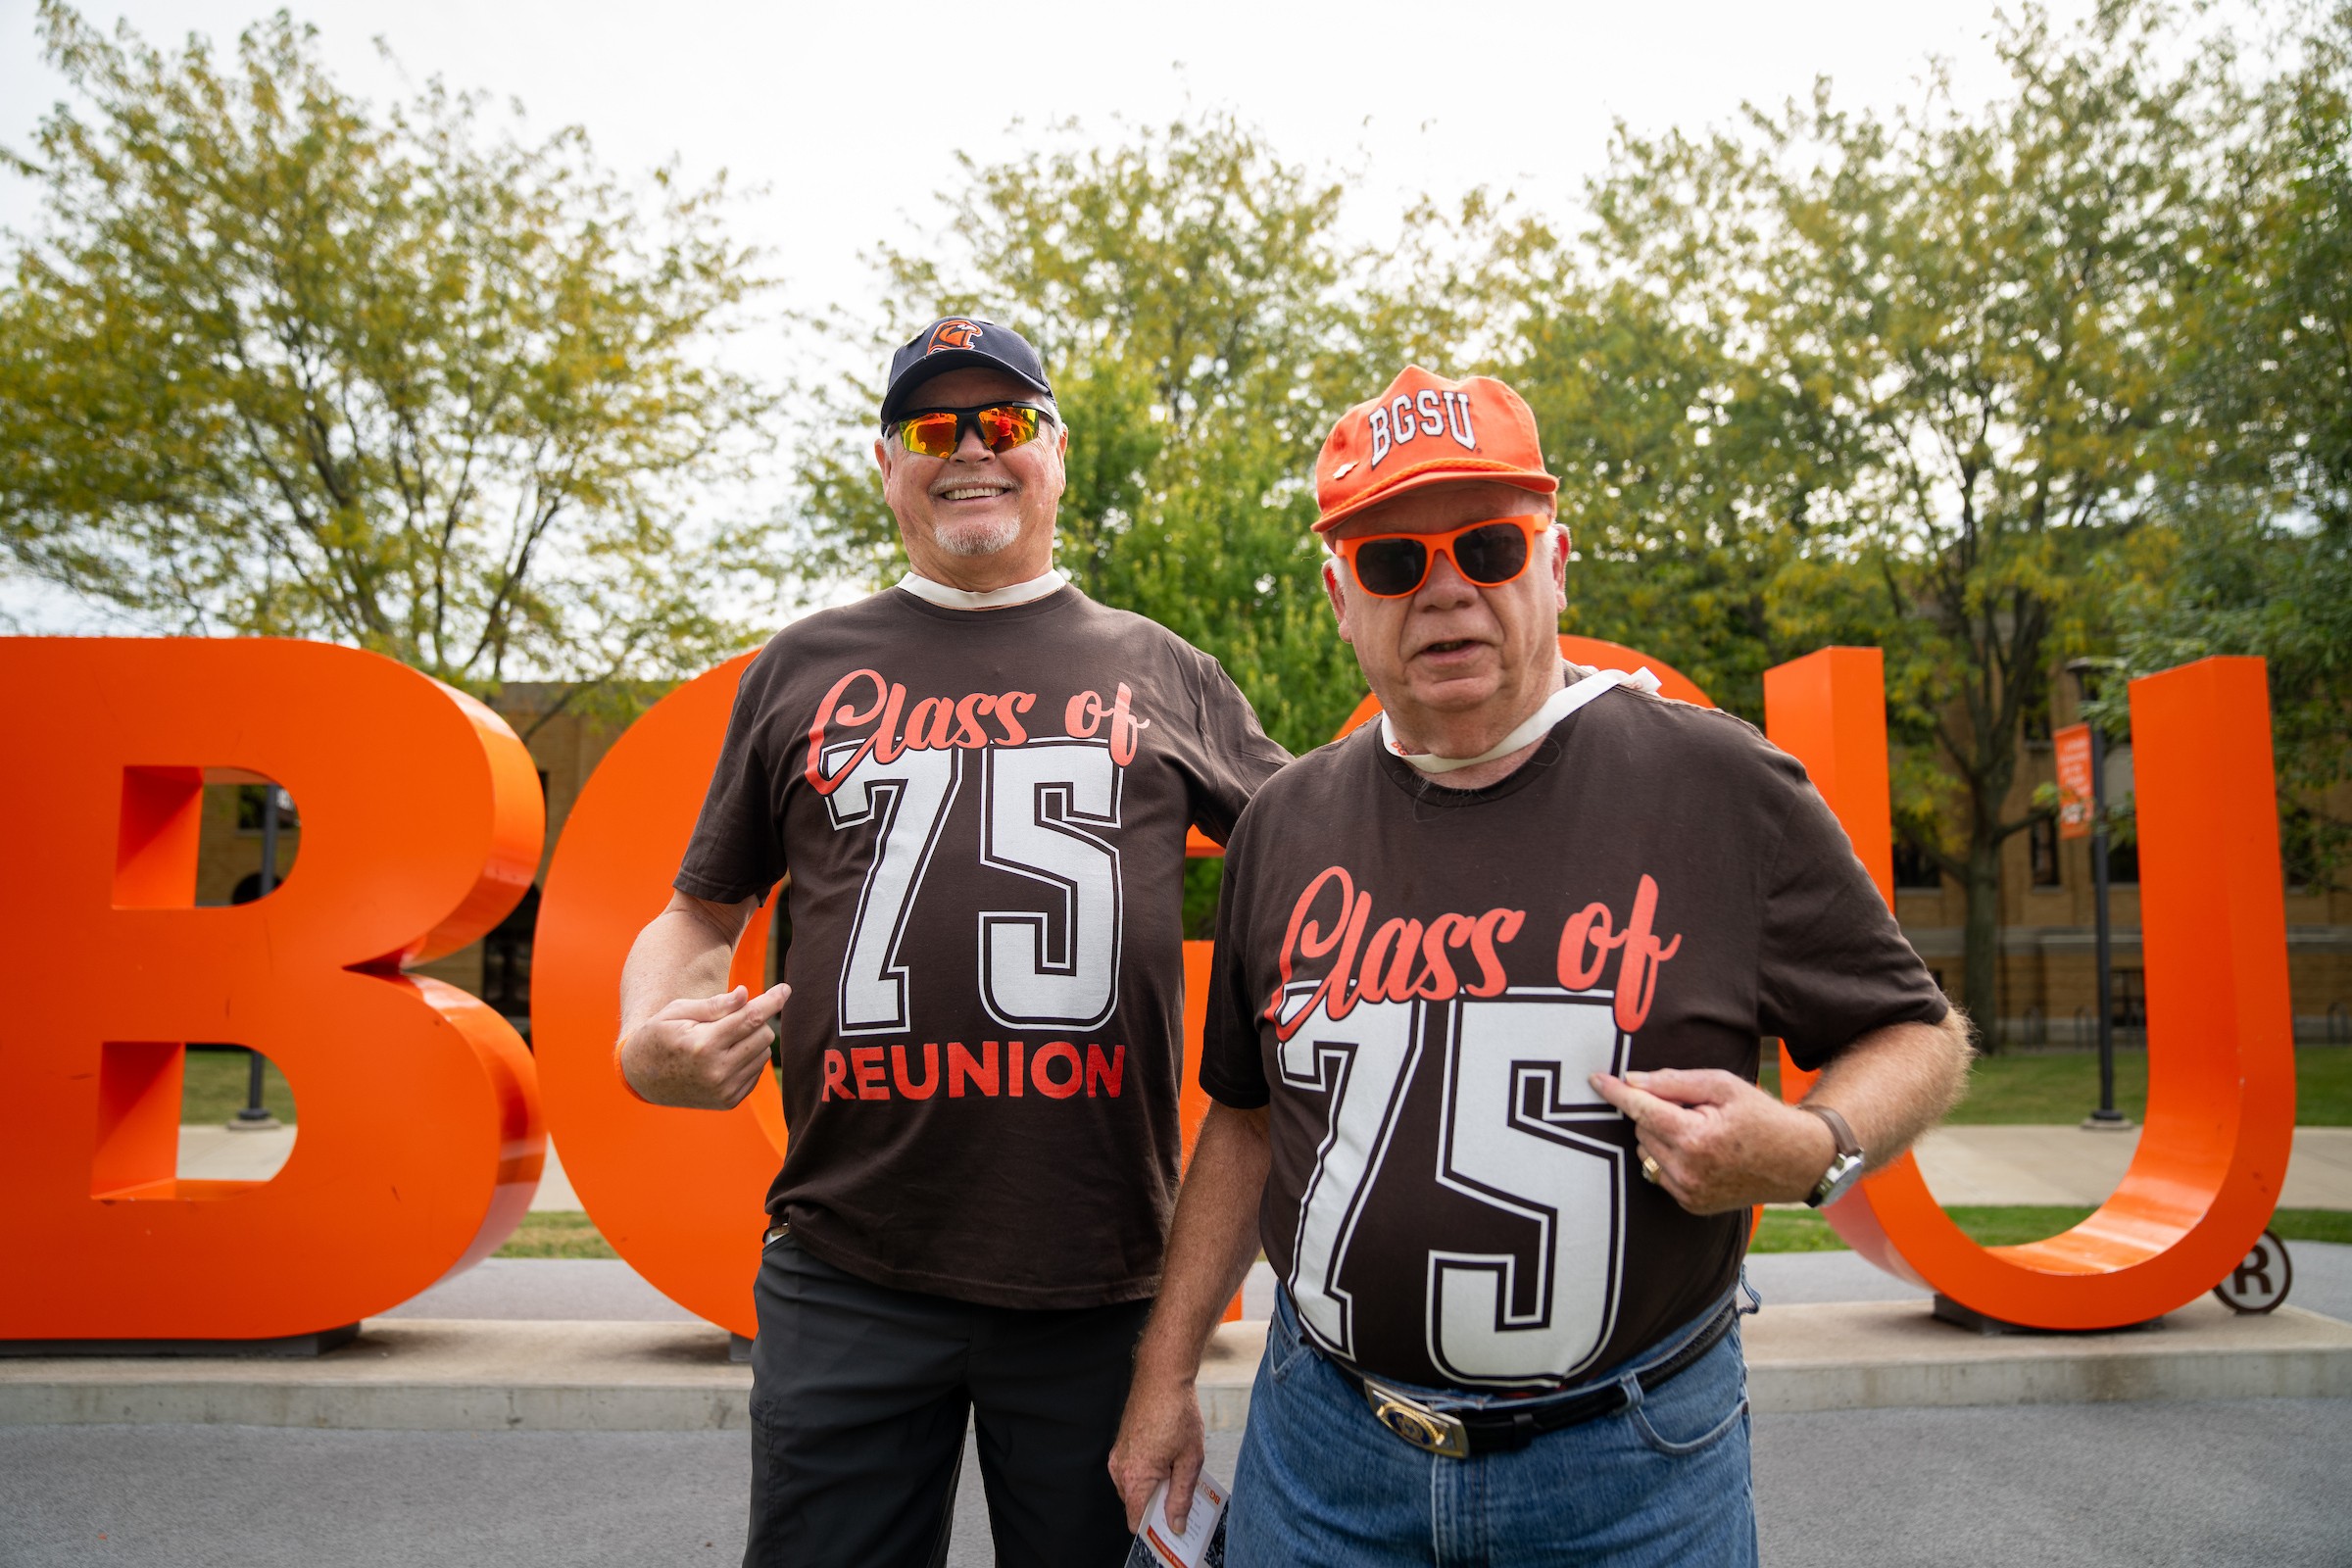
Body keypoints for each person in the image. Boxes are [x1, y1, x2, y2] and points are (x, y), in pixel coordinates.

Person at [1108, 367, 1972, 1565]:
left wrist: (1811, 1147)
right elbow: (1248, 1125)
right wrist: (1163, 1377)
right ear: (1339, 597)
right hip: (1324, 1454)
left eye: (1490, 547)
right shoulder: (1284, 823)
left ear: (1556, 562)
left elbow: (1919, 1034)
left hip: (1631, 1468)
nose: (1447, 590)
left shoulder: (1721, 785)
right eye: (1394, 563)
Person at [617, 317, 1290, 1568]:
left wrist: (1549, 730)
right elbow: (697, 913)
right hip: (846, 1267)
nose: (972, 448)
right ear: (887, 465)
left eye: (1007, 421)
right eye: (935, 427)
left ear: (1056, 454)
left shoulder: (1163, 667)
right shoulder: (802, 665)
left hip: (1101, 1285)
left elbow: (1341, 848)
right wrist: (647, 1042)